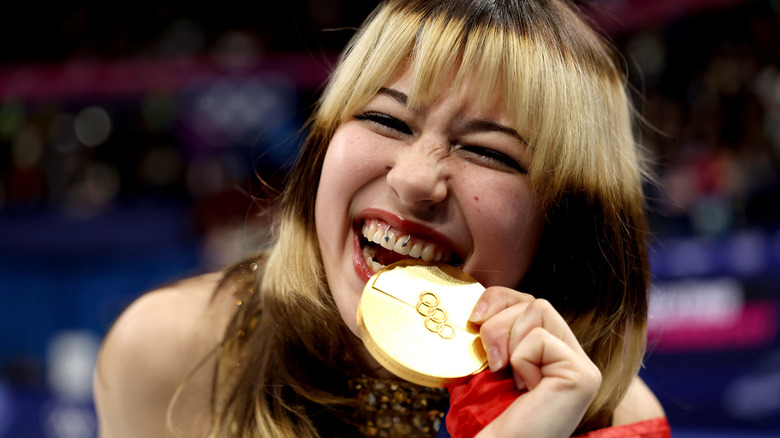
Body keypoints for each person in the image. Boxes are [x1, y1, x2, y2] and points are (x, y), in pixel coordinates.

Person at [94, 0, 668, 436]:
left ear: (567, 222)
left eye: (487, 152)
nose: (414, 179)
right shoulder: (170, 352)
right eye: (387, 120)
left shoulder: (608, 417)